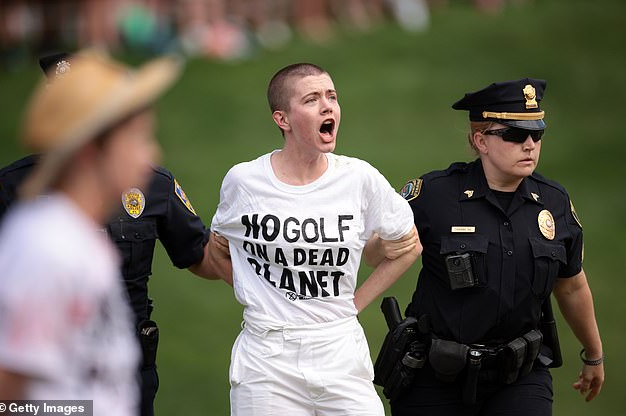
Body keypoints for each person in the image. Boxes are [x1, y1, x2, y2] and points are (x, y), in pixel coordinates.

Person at [0, 53, 229, 416]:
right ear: (90, 151)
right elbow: (4, 394)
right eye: (137, 138)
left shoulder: (76, 242)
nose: (152, 152)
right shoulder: (46, 249)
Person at [210, 62, 421, 415]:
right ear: (283, 119)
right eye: (311, 99)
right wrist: (262, 295)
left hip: (339, 350)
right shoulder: (244, 181)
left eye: (332, 97)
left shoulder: (358, 178)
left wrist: (355, 304)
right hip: (267, 360)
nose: (327, 107)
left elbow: (409, 244)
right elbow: (218, 249)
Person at [389, 78, 604, 415]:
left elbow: (572, 286)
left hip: (519, 376)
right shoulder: (433, 194)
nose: (530, 144)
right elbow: (377, 247)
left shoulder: (553, 202)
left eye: (537, 133)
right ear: (481, 140)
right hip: (435, 375)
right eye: (515, 135)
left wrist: (594, 354)